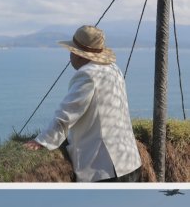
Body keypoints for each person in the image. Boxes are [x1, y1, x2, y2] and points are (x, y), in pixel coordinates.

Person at [24, 25, 141, 182]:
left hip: (102, 168)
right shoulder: (114, 69)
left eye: (71, 51)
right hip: (130, 161)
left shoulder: (87, 74)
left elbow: (67, 113)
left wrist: (42, 140)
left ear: (78, 55)